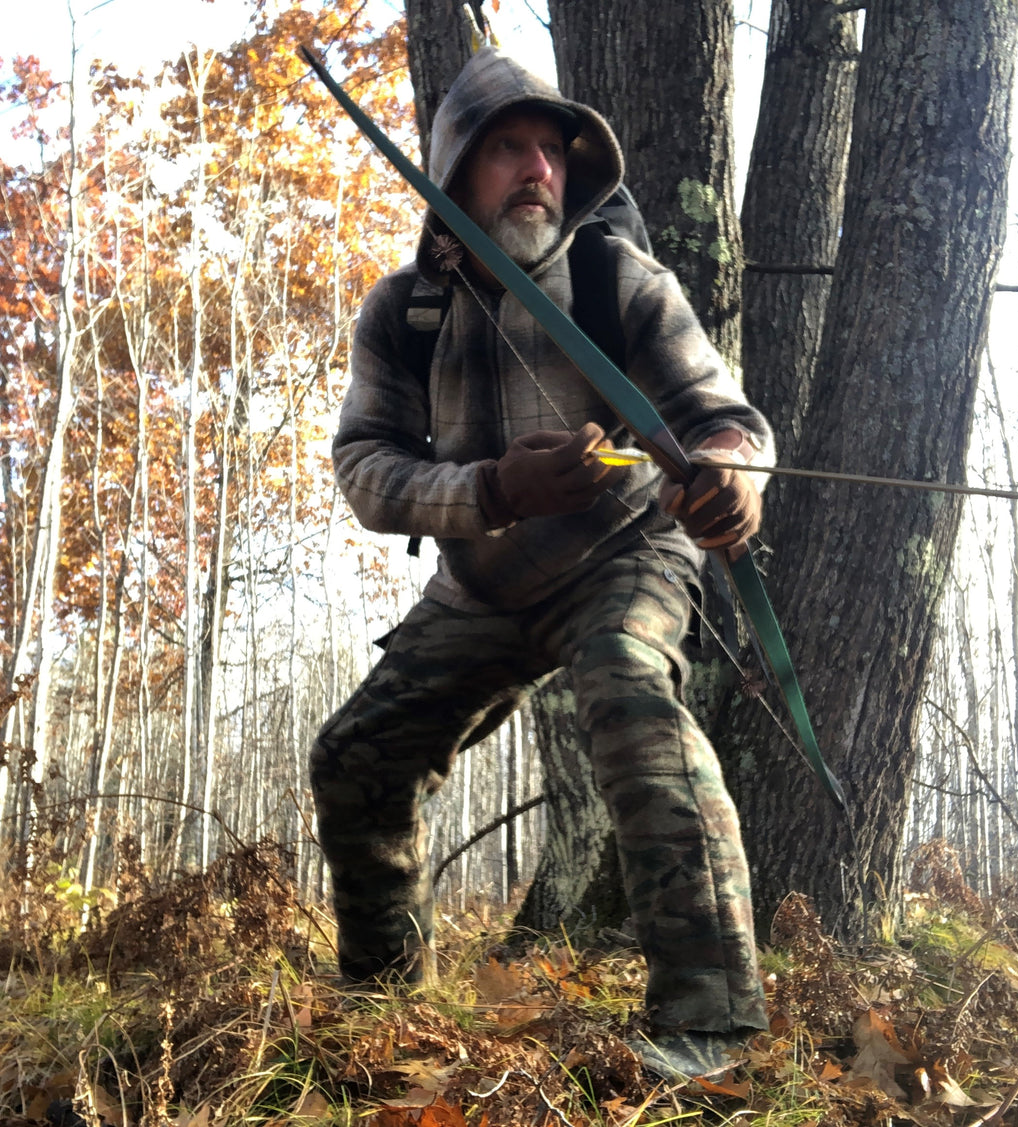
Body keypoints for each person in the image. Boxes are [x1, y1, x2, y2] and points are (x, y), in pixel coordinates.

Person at [310, 45, 775, 1083]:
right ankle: (382, 1004)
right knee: (353, 756)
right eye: (510, 148)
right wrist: (492, 491)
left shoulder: (618, 278)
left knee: (625, 680)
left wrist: (732, 479)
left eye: (553, 152)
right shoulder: (404, 312)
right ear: (456, 168)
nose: (539, 171)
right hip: (481, 582)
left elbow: (727, 420)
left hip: (625, 555)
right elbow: (365, 468)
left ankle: (709, 1025)